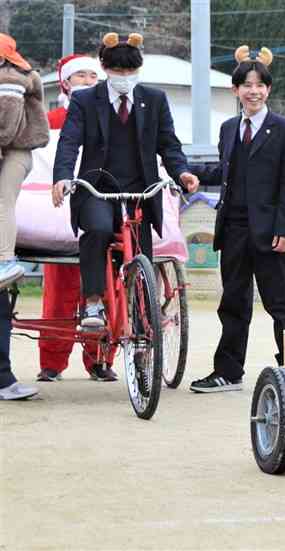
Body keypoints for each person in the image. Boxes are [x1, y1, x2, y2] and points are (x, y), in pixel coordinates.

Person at [53, 33, 199, 343]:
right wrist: (63, 177)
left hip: (139, 189)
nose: (123, 78)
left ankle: (143, 310)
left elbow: (168, 144)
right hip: (97, 187)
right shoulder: (85, 100)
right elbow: (69, 142)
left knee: (140, 248)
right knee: (98, 229)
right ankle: (93, 304)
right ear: (104, 67)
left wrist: (182, 172)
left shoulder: (155, 100)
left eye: (130, 72)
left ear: (139, 69)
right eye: (117, 71)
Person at [189, 46, 285, 393]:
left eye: (260, 85)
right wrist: (189, 174)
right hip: (234, 229)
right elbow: (225, 171)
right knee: (233, 303)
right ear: (235, 90)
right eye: (246, 84)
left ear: (269, 89)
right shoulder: (227, 129)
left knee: (280, 305)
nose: (254, 91)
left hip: (270, 233)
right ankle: (228, 371)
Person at [39, 53, 108, 382]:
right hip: (55, 210)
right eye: (81, 76)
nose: (88, 82)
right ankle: (52, 362)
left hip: (97, 205)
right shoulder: (49, 119)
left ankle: (99, 360)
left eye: (93, 77)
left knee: (102, 290)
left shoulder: (109, 115)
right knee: (59, 294)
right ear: (66, 82)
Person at [0, 32, 48, 400]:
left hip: (14, 149)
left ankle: (2, 378)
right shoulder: (18, 73)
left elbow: (8, 124)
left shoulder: (13, 77)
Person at [0, 32, 49, 289]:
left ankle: (5, 261)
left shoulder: (12, 79)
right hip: (15, 148)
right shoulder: (25, 73)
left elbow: (6, 129)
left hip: (16, 148)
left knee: (3, 198)